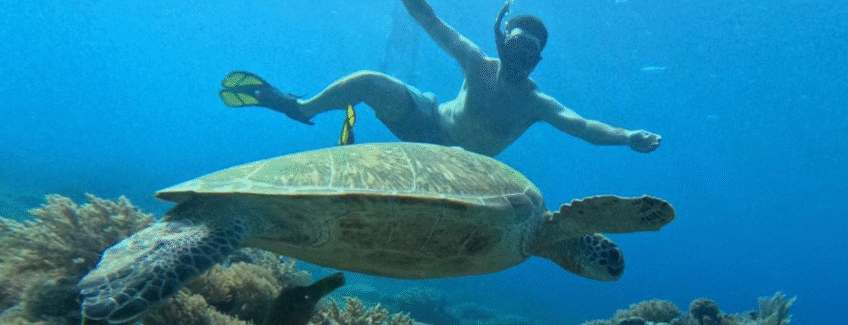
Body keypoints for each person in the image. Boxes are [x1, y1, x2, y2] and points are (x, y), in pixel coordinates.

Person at [219, 0, 661, 157]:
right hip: (425, 120)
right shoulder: (477, 61)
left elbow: (583, 127)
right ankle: (301, 108)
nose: (519, 55)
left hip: (459, 163)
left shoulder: (536, 103)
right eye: (516, 43)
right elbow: (429, 19)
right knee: (371, 80)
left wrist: (626, 136)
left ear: (538, 62)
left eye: (530, 51)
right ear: (502, 40)